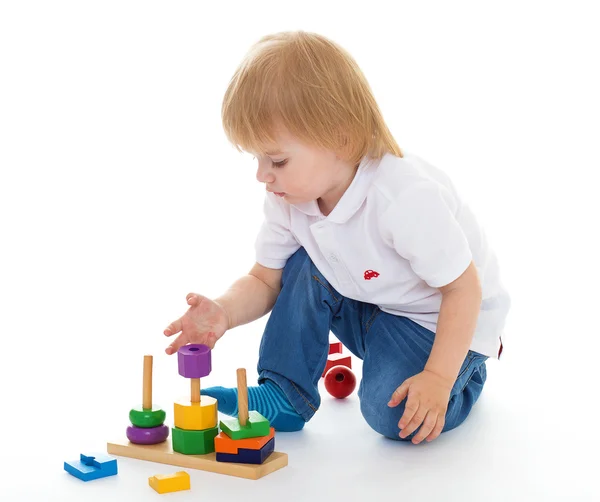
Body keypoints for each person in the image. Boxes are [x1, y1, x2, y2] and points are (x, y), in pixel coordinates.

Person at [163, 31, 511, 444]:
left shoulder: (401, 197)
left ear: (340, 139)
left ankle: (466, 377)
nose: (262, 174)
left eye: (276, 159)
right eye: (256, 158)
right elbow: (264, 280)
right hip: (376, 302)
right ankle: (286, 392)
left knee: (391, 414)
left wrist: (437, 377)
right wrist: (224, 310)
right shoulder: (289, 198)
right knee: (302, 261)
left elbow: (463, 289)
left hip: (443, 322)